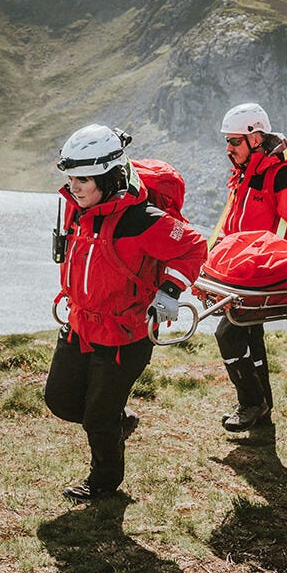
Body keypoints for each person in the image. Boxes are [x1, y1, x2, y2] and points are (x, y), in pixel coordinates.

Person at [44, 124, 207, 502]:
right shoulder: (78, 209)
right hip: (81, 323)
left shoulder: (141, 219)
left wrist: (169, 291)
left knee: (97, 417)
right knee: (60, 399)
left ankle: (104, 483)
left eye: (83, 178)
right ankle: (119, 420)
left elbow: (193, 247)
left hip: (125, 335)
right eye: (71, 178)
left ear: (108, 175)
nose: (74, 186)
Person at [212, 102, 287, 432]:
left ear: (256, 138)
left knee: (229, 334)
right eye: (228, 141)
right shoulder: (244, 176)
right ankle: (262, 410)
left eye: (235, 141)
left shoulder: (279, 176)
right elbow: (233, 224)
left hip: (262, 273)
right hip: (241, 274)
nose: (229, 148)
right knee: (250, 336)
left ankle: (251, 402)